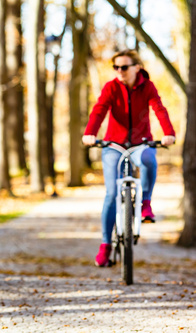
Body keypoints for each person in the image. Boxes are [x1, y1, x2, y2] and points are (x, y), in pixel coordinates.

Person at [82, 49, 176, 267]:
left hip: (141, 142)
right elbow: (99, 110)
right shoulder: (111, 87)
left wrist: (168, 132)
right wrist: (90, 133)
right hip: (113, 145)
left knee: (149, 160)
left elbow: (159, 109)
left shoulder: (148, 87)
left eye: (124, 67)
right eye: (116, 67)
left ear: (137, 67)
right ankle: (106, 245)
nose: (119, 71)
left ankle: (145, 203)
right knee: (112, 193)